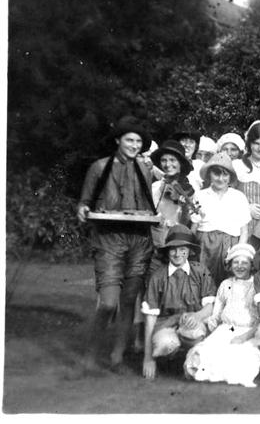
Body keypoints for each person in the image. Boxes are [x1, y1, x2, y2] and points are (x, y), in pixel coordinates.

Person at [76, 115, 156, 374]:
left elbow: (149, 205)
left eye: (138, 141)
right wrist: (83, 208)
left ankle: (117, 358)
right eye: (130, 140)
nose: (134, 145)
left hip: (139, 240)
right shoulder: (100, 167)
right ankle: (90, 354)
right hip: (109, 239)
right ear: (118, 140)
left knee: (129, 300)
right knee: (109, 302)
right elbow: (84, 202)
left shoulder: (144, 168)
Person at [183, 243, 260, 388]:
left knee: (238, 356)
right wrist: (213, 330)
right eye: (236, 262)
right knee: (207, 352)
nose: (240, 266)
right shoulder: (226, 284)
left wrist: (247, 335)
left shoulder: (257, 285)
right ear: (230, 265)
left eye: (245, 263)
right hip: (226, 328)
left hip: (247, 330)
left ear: (252, 265)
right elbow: (217, 311)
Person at [141, 225, 216, 379]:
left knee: (196, 333)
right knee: (166, 344)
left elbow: (210, 306)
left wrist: (197, 316)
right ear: (167, 251)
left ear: (189, 251)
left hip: (191, 322)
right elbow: (150, 318)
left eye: (183, 249)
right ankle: (167, 361)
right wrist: (147, 358)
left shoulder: (200, 271)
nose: (178, 254)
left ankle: (190, 360)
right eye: (173, 249)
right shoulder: (158, 276)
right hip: (165, 325)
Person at [195, 152, 251, 287]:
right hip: (205, 244)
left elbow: (244, 230)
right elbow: (194, 225)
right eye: (216, 174)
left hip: (230, 244)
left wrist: (237, 251)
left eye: (225, 174)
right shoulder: (201, 195)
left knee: (227, 282)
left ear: (230, 177)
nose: (220, 178)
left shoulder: (238, 197)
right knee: (204, 280)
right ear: (209, 174)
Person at [149, 139, 198, 252]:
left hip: (175, 242)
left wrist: (185, 206)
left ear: (180, 163)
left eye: (172, 160)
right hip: (154, 240)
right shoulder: (155, 186)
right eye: (164, 160)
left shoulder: (188, 190)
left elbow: (187, 222)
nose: (167, 164)